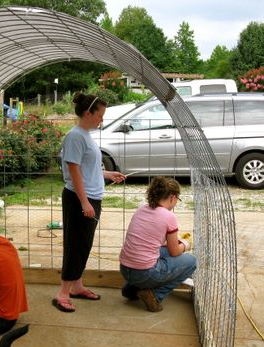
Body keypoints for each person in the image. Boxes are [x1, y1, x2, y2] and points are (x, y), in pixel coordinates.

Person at [53, 93, 126, 313]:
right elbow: (73, 170)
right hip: (80, 200)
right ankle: (63, 293)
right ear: (88, 113)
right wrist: (84, 202)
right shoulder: (75, 136)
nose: (102, 120)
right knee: (75, 246)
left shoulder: (85, 135)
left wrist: (108, 174)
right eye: (100, 115)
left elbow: (87, 169)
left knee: (83, 245)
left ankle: (77, 286)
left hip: (90, 198)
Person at [119, 176, 196, 312]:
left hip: (125, 269)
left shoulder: (141, 209)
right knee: (191, 262)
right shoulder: (169, 216)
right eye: (178, 199)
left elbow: (151, 239)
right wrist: (186, 244)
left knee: (160, 253)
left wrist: (176, 240)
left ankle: (130, 290)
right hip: (145, 273)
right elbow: (174, 252)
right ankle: (155, 295)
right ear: (172, 197)